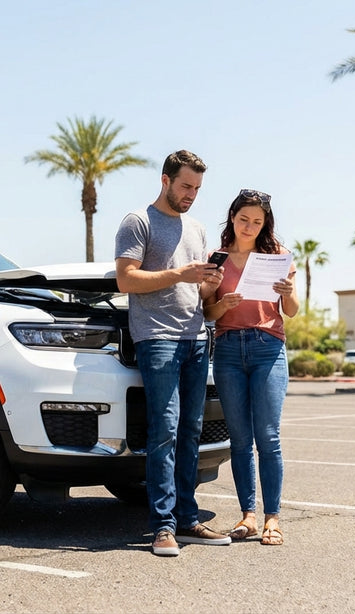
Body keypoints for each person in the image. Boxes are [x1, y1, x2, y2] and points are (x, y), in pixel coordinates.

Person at [115, 150, 231, 557]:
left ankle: (187, 520)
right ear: (165, 181)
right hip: (158, 338)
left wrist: (211, 283)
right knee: (164, 430)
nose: (191, 195)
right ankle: (162, 527)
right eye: (185, 186)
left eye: (197, 189)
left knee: (190, 433)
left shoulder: (196, 228)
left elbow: (196, 291)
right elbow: (126, 280)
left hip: (197, 338)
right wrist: (180, 274)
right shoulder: (138, 222)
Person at [202, 188, 299, 546]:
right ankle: (248, 516)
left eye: (257, 221)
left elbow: (291, 311)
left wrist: (287, 291)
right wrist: (221, 303)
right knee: (240, 440)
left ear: (265, 224)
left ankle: (273, 518)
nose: (249, 226)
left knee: (268, 437)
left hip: (267, 348)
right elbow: (208, 314)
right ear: (232, 217)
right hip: (227, 350)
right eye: (244, 219)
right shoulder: (216, 258)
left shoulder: (278, 257)